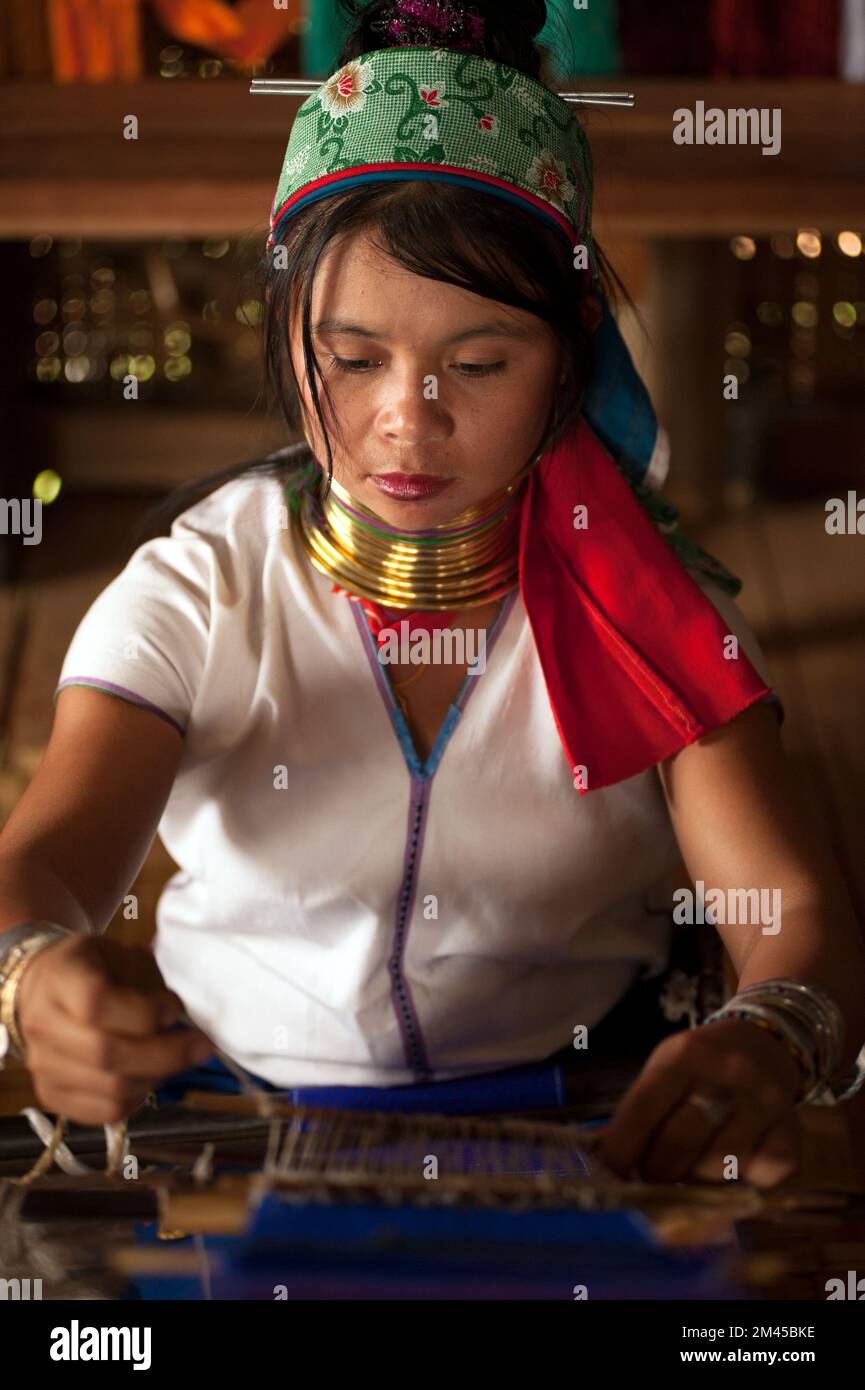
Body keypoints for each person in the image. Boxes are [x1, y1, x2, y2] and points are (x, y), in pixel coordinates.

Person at [1, 0, 863, 1189]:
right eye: (352, 360)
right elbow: (41, 862)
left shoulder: (650, 608)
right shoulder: (201, 587)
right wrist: (33, 971)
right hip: (229, 1123)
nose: (406, 419)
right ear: (286, 334)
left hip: (588, 1124)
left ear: (570, 358)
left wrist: (771, 1037)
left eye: (478, 362)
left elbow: (799, 922)